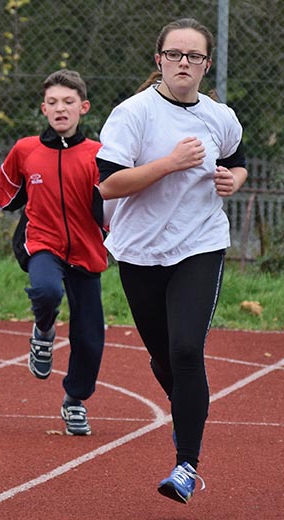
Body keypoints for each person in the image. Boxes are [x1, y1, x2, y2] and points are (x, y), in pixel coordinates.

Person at [96, 18, 247, 504]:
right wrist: (170, 163)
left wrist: (235, 179)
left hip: (200, 243)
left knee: (186, 351)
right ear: (158, 59)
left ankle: (186, 464)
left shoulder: (219, 117)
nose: (185, 63)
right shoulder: (132, 114)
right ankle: (186, 405)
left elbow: (239, 158)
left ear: (206, 64)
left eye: (194, 57)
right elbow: (107, 185)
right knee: (164, 358)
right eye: (175, 54)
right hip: (140, 250)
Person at [0, 69, 108, 436]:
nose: (60, 109)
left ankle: (75, 401)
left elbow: (117, 206)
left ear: (83, 107)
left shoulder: (98, 154)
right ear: (43, 109)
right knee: (47, 290)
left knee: (90, 335)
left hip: (86, 251)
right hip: (43, 244)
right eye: (52, 103)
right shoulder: (26, 150)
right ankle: (44, 329)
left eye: (68, 102)